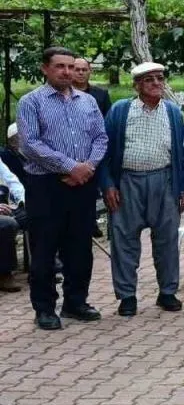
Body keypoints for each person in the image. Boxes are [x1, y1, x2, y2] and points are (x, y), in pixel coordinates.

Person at [18, 47, 108, 330]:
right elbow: (30, 144)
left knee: (80, 246)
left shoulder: (88, 101)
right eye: (60, 66)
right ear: (45, 68)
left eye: (70, 66)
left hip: (83, 184)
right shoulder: (31, 102)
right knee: (45, 248)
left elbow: (101, 137)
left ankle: (75, 302)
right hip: (46, 186)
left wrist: (87, 167)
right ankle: (44, 308)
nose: (67, 72)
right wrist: (70, 166)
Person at [99, 62, 184, 317]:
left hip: (164, 180)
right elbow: (103, 151)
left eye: (160, 78)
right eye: (149, 80)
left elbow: (181, 153)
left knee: (167, 239)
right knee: (124, 240)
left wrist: (180, 187)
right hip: (127, 182)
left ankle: (167, 292)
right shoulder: (120, 110)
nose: (157, 83)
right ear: (136, 85)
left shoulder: (172, 112)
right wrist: (108, 184)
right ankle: (127, 296)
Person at [0, 157, 25, 293]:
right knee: (7, 224)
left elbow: (12, 181)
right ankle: (4, 274)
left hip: (7, 206)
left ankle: (42, 267)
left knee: (36, 214)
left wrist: (23, 201)